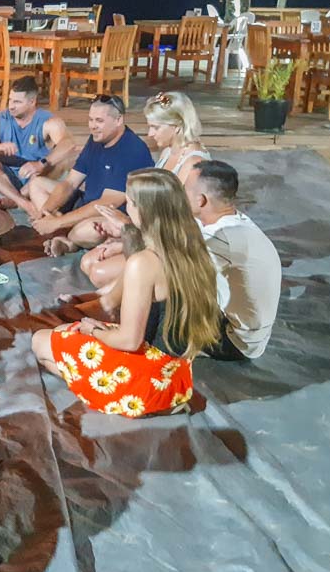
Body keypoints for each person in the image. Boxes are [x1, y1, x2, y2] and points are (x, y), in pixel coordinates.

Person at [32, 169, 221, 417]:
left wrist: (94, 331)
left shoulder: (145, 263)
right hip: (177, 378)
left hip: (147, 381)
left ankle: (109, 391)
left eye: (130, 202)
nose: (126, 207)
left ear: (142, 209)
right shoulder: (193, 247)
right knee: (60, 334)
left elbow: (129, 341)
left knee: (40, 342)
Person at [77, 91, 211, 288]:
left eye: (155, 127)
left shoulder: (193, 164)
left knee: (98, 272)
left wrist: (128, 233)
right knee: (88, 262)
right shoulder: (167, 152)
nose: (150, 134)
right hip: (151, 234)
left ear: (176, 127)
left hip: (173, 246)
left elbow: (177, 222)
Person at [185, 160, 282, 361]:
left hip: (235, 342)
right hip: (252, 334)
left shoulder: (222, 239)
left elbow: (165, 267)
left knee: (157, 290)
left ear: (202, 200)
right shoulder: (235, 222)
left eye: (184, 190)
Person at [33, 94, 154, 250]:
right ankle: (61, 233)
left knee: (86, 231)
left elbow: (108, 202)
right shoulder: (97, 139)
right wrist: (46, 210)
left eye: (99, 121)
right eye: (91, 119)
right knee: (37, 184)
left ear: (118, 120)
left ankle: (69, 240)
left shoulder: (132, 150)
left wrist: (56, 222)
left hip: (110, 215)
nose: (92, 126)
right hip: (86, 203)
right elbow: (70, 183)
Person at [0, 76, 77, 219]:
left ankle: (15, 200)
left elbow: (69, 144)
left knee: (65, 158)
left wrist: (40, 163)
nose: (11, 106)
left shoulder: (49, 122)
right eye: (10, 100)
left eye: (17, 102)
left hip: (37, 178)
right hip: (6, 181)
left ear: (32, 102)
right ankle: (23, 203)